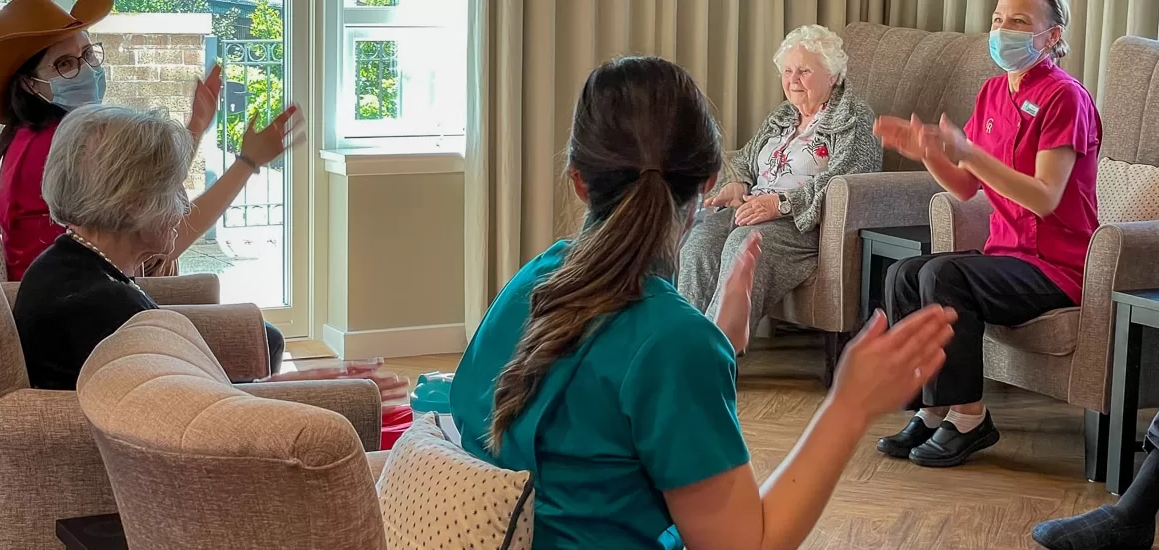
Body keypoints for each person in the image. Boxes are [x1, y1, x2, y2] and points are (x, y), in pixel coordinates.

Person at [449, 55, 958, 550]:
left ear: (579, 182)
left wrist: (715, 344)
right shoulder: (671, 342)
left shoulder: (532, 281)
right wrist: (848, 405)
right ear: (710, 181)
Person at [13, 104, 408, 404]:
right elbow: (208, 411)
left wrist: (310, 380)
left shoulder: (71, 268)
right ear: (131, 204)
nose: (184, 206)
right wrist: (327, 389)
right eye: (173, 190)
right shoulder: (102, 305)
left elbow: (201, 392)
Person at [0, 0, 287, 354]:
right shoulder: (60, 144)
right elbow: (157, 227)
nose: (87, 70)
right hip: (81, 316)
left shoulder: (37, 135)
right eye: (64, 64)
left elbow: (144, 189)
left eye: (88, 54)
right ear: (30, 84)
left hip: (74, 296)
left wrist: (196, 126)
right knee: (266, 341)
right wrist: (247, 162)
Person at [871, 0, 1098, 469]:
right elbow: (965, 186)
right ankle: (932, 411)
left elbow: (1044, 198)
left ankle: (971, 420)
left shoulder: (1066, 98)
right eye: (998, 20)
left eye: (1019, 22)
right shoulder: (993, 91)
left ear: (1052, 36)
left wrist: (966, 151)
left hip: (1057, 266)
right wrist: (929, 153)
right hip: (1006, 255)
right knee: (904, 275)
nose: (1003, 31)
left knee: (945, 274)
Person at [677, 24, 882, 334]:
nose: (793, 80)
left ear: (833, 75)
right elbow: (745, 160)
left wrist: (783, 203)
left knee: (743, 244)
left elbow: (850, 178)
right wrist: (738, 184)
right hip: (754, 208)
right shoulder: (783, 115)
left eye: (803, 71)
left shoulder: (854, 118)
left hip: (802, 223)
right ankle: (681, 341)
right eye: (787, 71)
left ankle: (715, 352)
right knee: (700, 241)